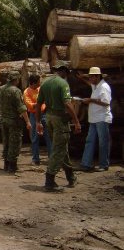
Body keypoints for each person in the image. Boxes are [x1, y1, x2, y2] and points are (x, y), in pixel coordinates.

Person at [36, 60, 81, 192]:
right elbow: (67, 104)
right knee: (59, 149)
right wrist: (76, 121)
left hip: (48, 118)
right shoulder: (63, 83)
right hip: (60, 120)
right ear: (65, 72)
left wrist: (38, 122)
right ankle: (49, 179)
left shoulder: (45, 83)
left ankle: (71, 177)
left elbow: (38, 104)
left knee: (61, 147)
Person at [0, 71, 31, 173]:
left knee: (6, 142)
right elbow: (22, 108)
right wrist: (28, 122)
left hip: (4, 120)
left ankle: (6, 165)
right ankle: (12, 166)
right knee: (15, 143)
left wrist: (1, 107)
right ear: (16, 80)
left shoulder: (0, 89)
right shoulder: (16, 91)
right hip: (14, 121)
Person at [77, 67, 112, 172]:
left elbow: (106, 102)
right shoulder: (96, 85)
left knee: (103, 142)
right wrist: (82, 77)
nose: (90, 79)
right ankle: (86, 163)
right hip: (94, 118)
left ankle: (103, 164)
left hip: (102, 118)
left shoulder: (104, 87)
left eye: (92, 77)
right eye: (90, 77)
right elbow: (89, 84)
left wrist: (91, 100)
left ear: (97, 76)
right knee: (90, 140)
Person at [23, 74, 52, 165]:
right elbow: (31, 105)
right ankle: (36, 159)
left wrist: (39, 103)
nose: (40, 83)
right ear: (34, 83)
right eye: (39, 81)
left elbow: (47, 100)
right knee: (35, 137)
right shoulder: (26, 92)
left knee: (49, 137)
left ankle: (51, 158)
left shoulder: (41, 89)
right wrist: (40, 102)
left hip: (44, 114)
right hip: (34, 115)